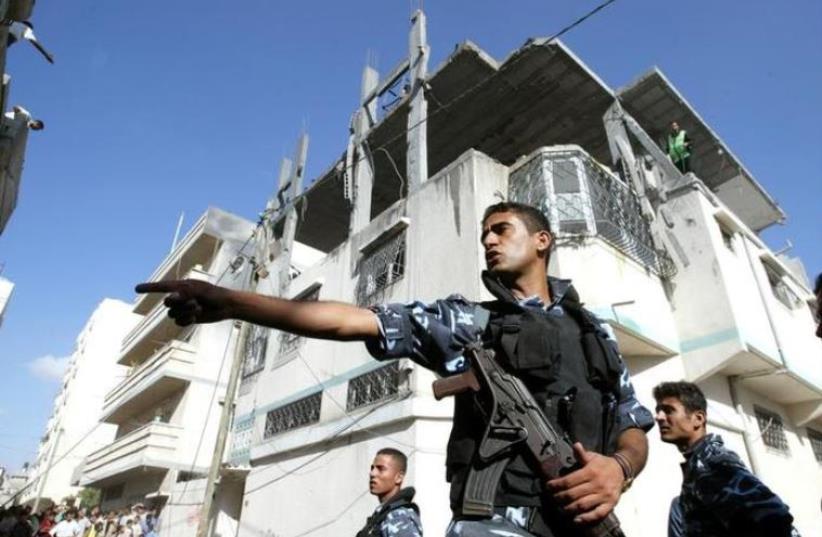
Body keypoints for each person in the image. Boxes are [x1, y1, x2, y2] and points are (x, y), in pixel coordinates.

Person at [137, 201, 654, 537]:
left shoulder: (595, 335)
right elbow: (349, 320)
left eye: (501, 230)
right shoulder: (467, 323)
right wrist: (230, 302)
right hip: (496, 522)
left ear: (542, 241)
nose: (489, 241)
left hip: (582, 523)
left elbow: (632, 426)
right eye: (483, 235)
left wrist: (619, 468)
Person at [653, 381, 799, 537]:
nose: (659, 417)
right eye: (658, 411)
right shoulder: (699, 464)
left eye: (669, 411)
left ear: (698, 418)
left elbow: (774, 518)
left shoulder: (713, 464)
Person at [357, 448, 422, 537]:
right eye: (372, 468)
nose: (372, 473)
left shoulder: (399, 517)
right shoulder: (382, 516)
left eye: (381, 469)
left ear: (399, 477)